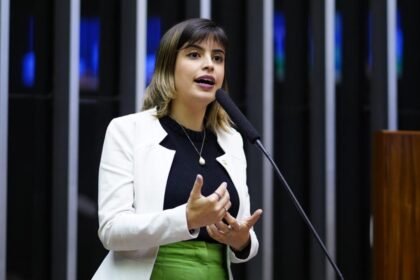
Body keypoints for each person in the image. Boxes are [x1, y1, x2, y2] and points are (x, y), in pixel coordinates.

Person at [92, 18, 262, 280]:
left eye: (218, 58)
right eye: (194, 54)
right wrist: (186, 218)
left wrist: (241, 240)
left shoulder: (231, 140)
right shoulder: (127, 131)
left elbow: (241, 232)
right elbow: (112, 230)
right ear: (168, 67)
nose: (209, 64)